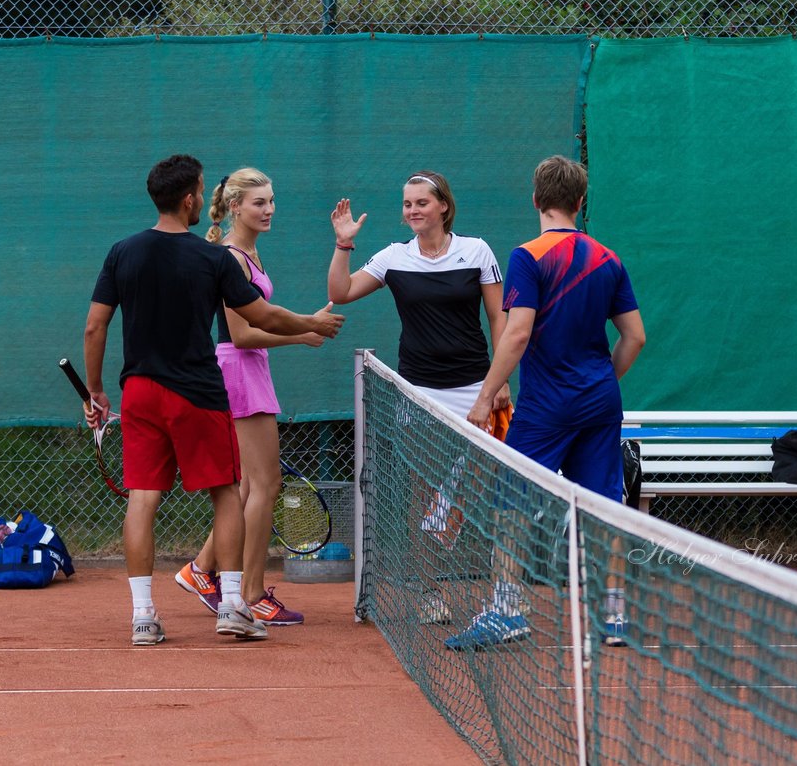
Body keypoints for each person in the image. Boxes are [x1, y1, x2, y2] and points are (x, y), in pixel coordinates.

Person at [83, 153, 344, 646]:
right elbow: (261, 316)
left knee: (143, 500)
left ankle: (143, 618)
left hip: (138, 393)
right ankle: (231, 606)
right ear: (189, 199)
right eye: (202, 191)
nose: (206, 199)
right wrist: (311, 325)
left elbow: (95, 325)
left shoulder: (122, 252)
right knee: (228, 494)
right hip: (198, 394)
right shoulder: (213, 259)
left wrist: (96, 390)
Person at [450, 154, 646, 650]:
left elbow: (516, 334)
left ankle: (506, 611)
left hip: (546, 406)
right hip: (600, 401)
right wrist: (601, 379)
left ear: (536, 199)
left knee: (512, 505)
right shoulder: (609, 258)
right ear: (580, 202)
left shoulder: (528, 256)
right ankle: (614, 616)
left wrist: (486, 394)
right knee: (605, 504)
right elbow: (635, 338)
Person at [328, 170, 510, 620]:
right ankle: (430, 593)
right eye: (407, 203)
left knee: (489, 491)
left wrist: (500, 382)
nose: (413, 210)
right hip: (418, 392)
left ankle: (503, 593)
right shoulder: (394, 257)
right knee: (422, 495)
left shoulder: (478, 251)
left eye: (421, 203)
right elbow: (340, 291)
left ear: (443, 206)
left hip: (476, 391)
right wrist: (343, 244)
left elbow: (499, 319)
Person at [174, 167, 321, 627]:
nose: (269, 209)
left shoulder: (248, 252)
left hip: (248, 369)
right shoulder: (231, 257)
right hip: (238, 368)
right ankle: (253, 593)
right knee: (266, 484)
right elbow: (240, 335)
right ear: (235, 206)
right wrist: (304, 332)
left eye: (272, 200)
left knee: (246, 485)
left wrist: (301, 328)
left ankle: (200, 570)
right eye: (259, 202)